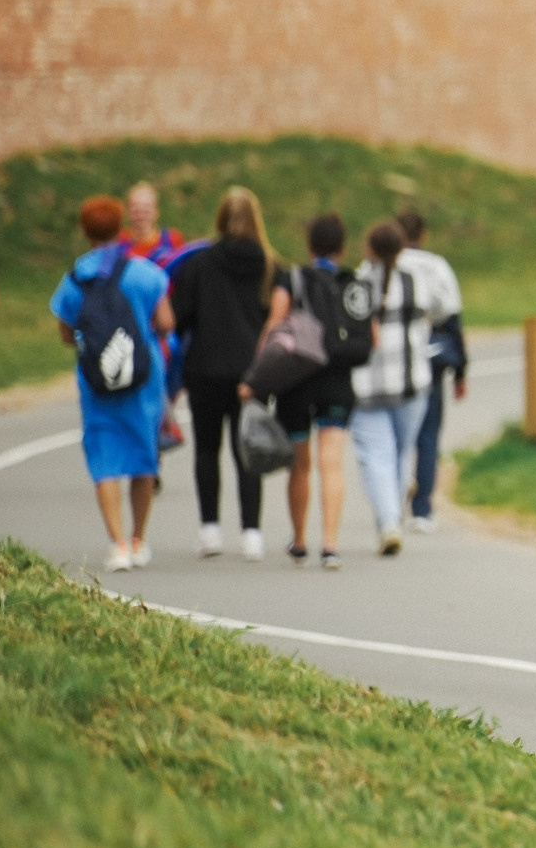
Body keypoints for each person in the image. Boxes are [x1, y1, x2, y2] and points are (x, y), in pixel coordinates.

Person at [50, 196, 174, 573]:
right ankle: (138, 540)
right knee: (144, 457)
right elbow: (166, 323)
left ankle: (116, 543)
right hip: (143, 378)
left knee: (105, 460)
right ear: (121, 228)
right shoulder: (142, 273)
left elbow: (66, 334)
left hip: (97, 380)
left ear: (85, 231)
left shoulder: (74, 279)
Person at [167, 187, 287, 560]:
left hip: (204, 368)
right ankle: (251, 533)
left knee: (207, 448)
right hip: (252, 373)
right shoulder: (271, 266)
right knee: (248, 449)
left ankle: (210, 530)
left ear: (219, 219)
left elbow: (179, 318)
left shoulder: (199, 264)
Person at [266, 213, 365, 570]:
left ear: (309, 245)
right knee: (331, 462)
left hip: (296, 381)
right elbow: (372, 333)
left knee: (300, 464)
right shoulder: (353, 283)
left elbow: (275, 323)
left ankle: (300, 540)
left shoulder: (291, 279)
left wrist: (258, 374)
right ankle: (331, 545)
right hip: (337, 381)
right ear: (342, 248)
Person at [348, 220, 449, 557]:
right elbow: (442, 308)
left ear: (370, 248)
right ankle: (397, 506)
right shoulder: (416, 279)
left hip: (367, 384)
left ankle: (389, 521)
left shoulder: (359, 282)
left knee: (376, 455)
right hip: (411, 381)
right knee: (402, 451)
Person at [394, 211, 466, 533]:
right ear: (422, 235)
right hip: (428, 359)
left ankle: (390, 505)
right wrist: (460, 370)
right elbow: (453, 320)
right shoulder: (437, 267)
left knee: (393, 437)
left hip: (391, 361)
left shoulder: (380, 265)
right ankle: (422, 509)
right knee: (428, 434)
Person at [121, 179, 197, 454]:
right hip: (130, 324)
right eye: (135, 208)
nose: (140, 213)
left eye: (146, 207)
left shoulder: (171, 241)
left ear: (155, 211)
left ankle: (162, 420)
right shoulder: (120, 245)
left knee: (174, 358)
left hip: (164, 324)